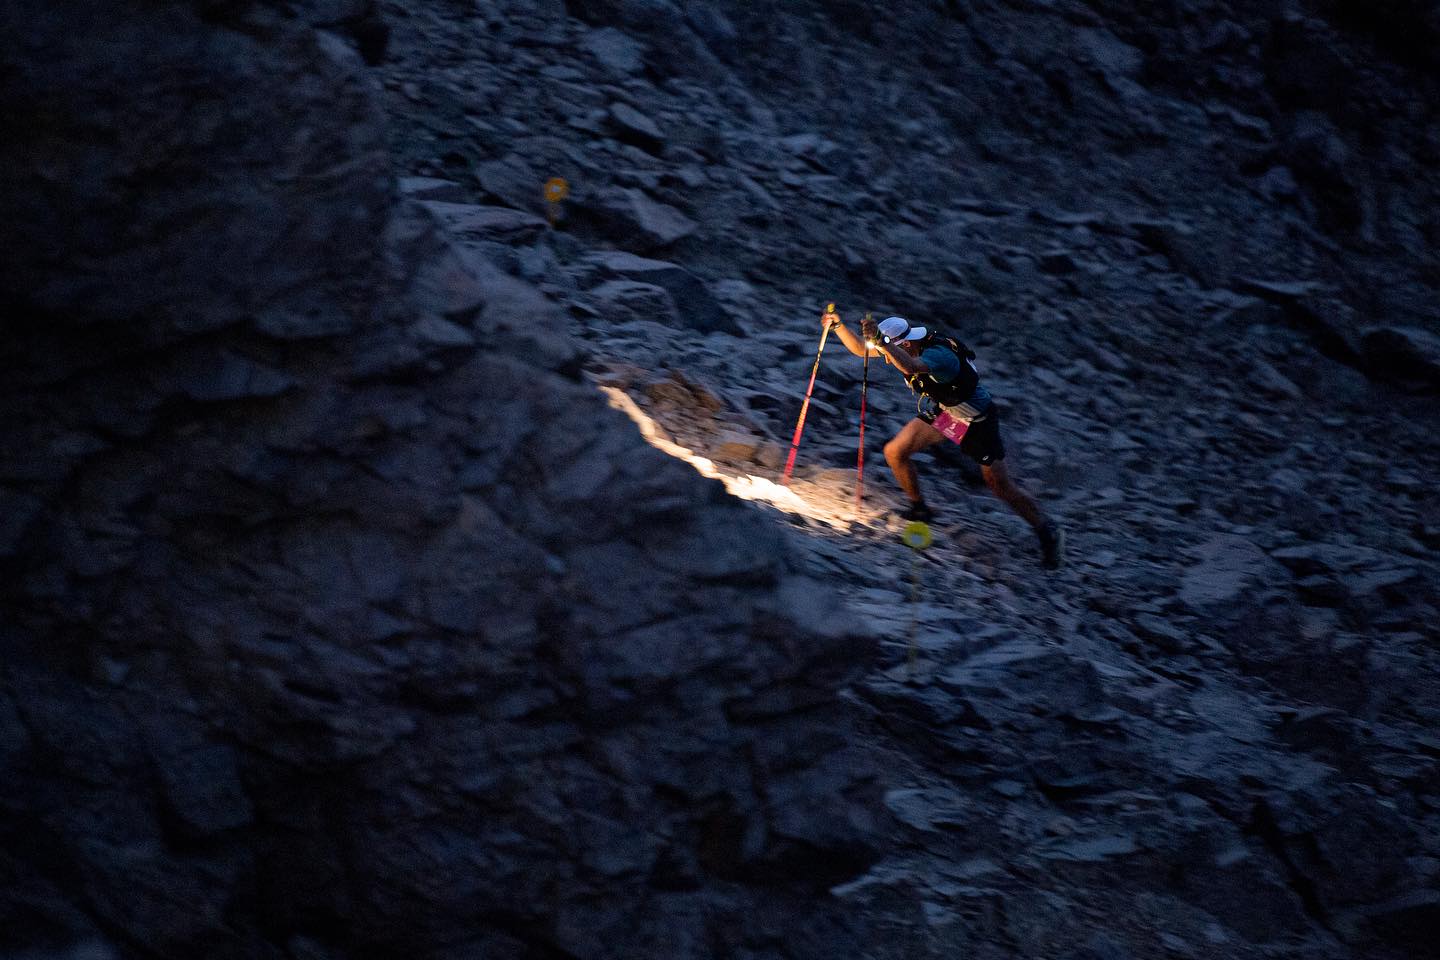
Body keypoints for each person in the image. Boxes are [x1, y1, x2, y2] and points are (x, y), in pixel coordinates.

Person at [823, 307, 1064, 569]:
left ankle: (1047, 530)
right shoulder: (902, 344)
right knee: (895, 452)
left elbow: (911, 366)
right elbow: (862, 349)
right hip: (948, 413)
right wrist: (838, 326)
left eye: (888, 349)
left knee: (998, 485)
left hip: (977, 421)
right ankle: (919, 510)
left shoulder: (939, 356)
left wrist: (882, 342)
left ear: (903, 342)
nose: (886, 359)